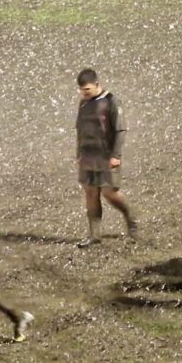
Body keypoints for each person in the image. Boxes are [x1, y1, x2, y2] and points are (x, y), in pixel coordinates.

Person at [75, 69, 137, 247]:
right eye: (82, 90)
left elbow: (120, 129)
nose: (84, 93)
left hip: (106, 156)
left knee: (110, 193)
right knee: (90, 193)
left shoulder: (111, 101)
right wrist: (79, 153)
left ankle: (132, 223)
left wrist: (116, 155)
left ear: (97, 84)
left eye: (87, 89)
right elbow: (80, 129)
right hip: (88, 156)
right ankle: (94, 235)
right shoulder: (83, 104)